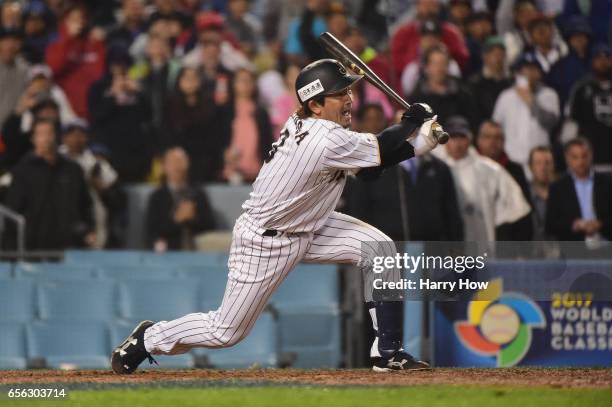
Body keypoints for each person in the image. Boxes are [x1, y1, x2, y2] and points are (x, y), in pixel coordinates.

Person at [111, 58, 442, 374]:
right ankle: (150, 338)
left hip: (310, 224)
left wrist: (420, 142)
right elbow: (382, 148)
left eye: (348, 91)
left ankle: (388, 353)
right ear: (314, 104)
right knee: (225, 331)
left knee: (379, 249)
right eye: (339, 94)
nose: (348, 99)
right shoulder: (322, 138)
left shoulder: (321, 128)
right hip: (266, 240)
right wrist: (412, 123)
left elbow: (370, 168)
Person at [348, 105, 463, 242]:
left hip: (431, 247)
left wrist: (457, 249)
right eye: (404, 125)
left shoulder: (440, 168)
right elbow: (360, 210)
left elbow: (451, 214)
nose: (411, 130)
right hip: (387, 246)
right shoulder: (375, 166)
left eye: (416, 125)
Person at [433, 116, 531, 243]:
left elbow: (516, 209)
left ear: (470, 139)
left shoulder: (490, 170)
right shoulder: (433, 169)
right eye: (453, 137)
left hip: (479, 242)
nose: (457, 143)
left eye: (462, 137)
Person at [3, 118, 94, 250]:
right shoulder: (22, 171)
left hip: (69, 247)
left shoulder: (72, 170)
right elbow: (13, 211)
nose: (46, 138)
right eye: (41, 134)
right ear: (33, 138)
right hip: (32, 248)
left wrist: (87, 231)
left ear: (57, 136)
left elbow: (85, 205)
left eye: (49, 133)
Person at [88, 48, 152, 183]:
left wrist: (139, 93)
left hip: (134, 151)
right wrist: (112, 95)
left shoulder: (136, 87)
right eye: (115, 64)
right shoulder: (98, 87)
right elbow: (96, 116)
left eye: (123, 64)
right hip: (109, 149)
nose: (119, 68)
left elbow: (148, 116)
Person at [59, 119, 122, 249]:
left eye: (80, 134)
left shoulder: (95, 162)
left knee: (94, 247)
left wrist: (100, 187)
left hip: (90, 211)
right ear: (64, 137)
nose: (76, 138)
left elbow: (116, 195)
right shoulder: (56, 158)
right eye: (71, 134)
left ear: (86, 137)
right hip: (60, 211)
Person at [492, 51, 559, 169]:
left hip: (540, 160)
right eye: (524, 70)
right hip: (511, 159)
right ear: (517, 73)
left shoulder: (549, 95)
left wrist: (531, 101)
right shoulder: (506, 96)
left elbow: (551, 124)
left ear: (540, 73)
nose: (529, 74)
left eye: (533, 69)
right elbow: (496, 127)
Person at [161, 66, 226, 182]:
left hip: (205, 163)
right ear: (179, 81)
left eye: (194, 78)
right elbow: (166, 134)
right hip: (179, 161)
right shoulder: (170, 106)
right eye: (186, 78)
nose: (190, 81)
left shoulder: (209, 105)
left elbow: (215, 136)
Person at [146, 147, 216, 251]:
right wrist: (176, 220)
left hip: (197, 254)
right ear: (164, 167)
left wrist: (193, 218)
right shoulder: (157, 197)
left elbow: (211, 227)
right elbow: (152, 232)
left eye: (181, 161)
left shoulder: (198, 194)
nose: (178, 166)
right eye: (173, 162)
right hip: (168, 255)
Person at [45, 5, 106, 118]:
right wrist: (68, 39)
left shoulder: (94, 43)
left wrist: (99, 44)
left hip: (92, 109)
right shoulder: (56, 43)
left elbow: (99, 75)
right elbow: (54, 68)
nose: (78, 22)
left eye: (81, 18)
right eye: (73, 19)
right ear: (64, 21)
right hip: (66, 111)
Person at [545, 138, 612, 242]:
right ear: (567, 158)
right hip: (575, 247)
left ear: (591, 155)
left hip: (606, 243)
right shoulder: (557, 188)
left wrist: (600, 224)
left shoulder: (607, 183)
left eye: (584, 156)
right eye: (575, 157)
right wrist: (574, 225)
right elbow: (550, 225)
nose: (581, 161)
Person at [476, 120, 533, 240]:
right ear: (479, 140)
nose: (493, 142)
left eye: (497, 138)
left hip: (508, 239)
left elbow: (523, 211)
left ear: (503, 142)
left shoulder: (515, 171)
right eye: (488, 137)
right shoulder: (470, 167)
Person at [391, 0, 469, 81]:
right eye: (424, 4)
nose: (428, 9)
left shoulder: (451, 32)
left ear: (438, 7)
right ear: (417, 6)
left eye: (432, 5)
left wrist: (443, 58)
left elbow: (462, 60)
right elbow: (397, 65)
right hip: (413, 82)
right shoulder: (403, 33)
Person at [221, 68, 274, 184]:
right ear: (233, 84)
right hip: (228, 173)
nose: (245, 83)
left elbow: (268, 143)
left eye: (249, 80)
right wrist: (224, 153)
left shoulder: (261, 112)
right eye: (241, 80)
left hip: (256, 173)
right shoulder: (224, 110)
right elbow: (216, 138)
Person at [409, 46, 478, 131]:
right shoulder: (416, 98)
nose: (440, 69)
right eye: (435, 64)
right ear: (426, 67)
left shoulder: (462, 93)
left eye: (443, 64)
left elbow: (473, 122)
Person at [568, 44, 612, 165]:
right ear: (592, 61)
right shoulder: (581, 89)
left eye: (607, 57)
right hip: (590, 157)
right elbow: (572, 122)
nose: (603, 61)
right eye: (599, 58)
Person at [468, 37, 512, 127]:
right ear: (485, 57)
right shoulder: (475, 83)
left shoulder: (511, 82)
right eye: (494, 54)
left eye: (501, 54)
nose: (498, 58)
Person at [0, 27, 28, 128]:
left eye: (15, 41)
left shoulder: (25, 70)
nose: (11, 45)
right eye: (6, 40)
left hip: (11, 130)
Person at [527, 145, 555, 240]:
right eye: (538, 163)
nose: (543, 168)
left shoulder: (563, 194)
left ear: (553, 165)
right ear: (530, 166)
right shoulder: (523, 195)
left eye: (547, 163)